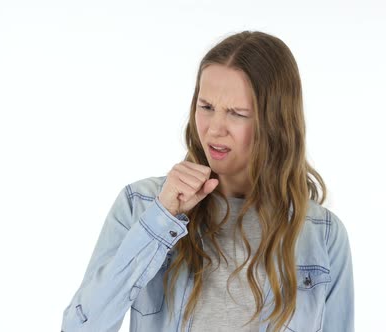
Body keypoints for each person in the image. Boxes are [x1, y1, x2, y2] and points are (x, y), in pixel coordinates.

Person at [60, 30, 354, 332]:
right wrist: (162, 220)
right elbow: (81, 326)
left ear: (276, 122)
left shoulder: (323, 236)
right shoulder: (141, 205)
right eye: (206, 107)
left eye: (237, 113)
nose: (214, 129)